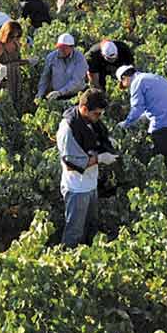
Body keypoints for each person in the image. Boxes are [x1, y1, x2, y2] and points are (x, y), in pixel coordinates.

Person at [56, 88, 118, 247]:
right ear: (84, 108)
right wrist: (100, 159)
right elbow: (71, 164)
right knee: (74, 231)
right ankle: (67, 261)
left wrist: (108, 142)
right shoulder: (68, 129)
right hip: (76, 188)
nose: (99, 117)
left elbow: (97, 138)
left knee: (91, 225)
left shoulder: (89, 120)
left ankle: (87, 258)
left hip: (90, 185)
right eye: (97, 113)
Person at [116, 66, 167, 175]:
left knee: (158, 161)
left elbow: (137, 108)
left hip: (165, 123)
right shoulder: (152, 77)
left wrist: (125, 124)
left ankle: (165, 184)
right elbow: (155, 103)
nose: (126, 88)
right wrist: (142, 118)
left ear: (124, 78)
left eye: (124, 85)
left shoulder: (136, 83)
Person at [36, 33, 88, 101]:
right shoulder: (51, 57)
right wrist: (40, 93)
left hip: (77, 95)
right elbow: (45, 77)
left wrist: (60, 92)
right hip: (58, 96)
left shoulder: (80, 58)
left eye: (64, 48)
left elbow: (76, 81)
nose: (61, 50)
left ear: (72, 47)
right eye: (60, 47)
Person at [0, 20, 25, 107]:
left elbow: (16, 61)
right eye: (12, 36)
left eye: (18, 36)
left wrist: (27, 61)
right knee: (3, 103)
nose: (15, 38)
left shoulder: (16, 44)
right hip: (3, 79)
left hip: (15, 78)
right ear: (6, 33)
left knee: (16, 102)